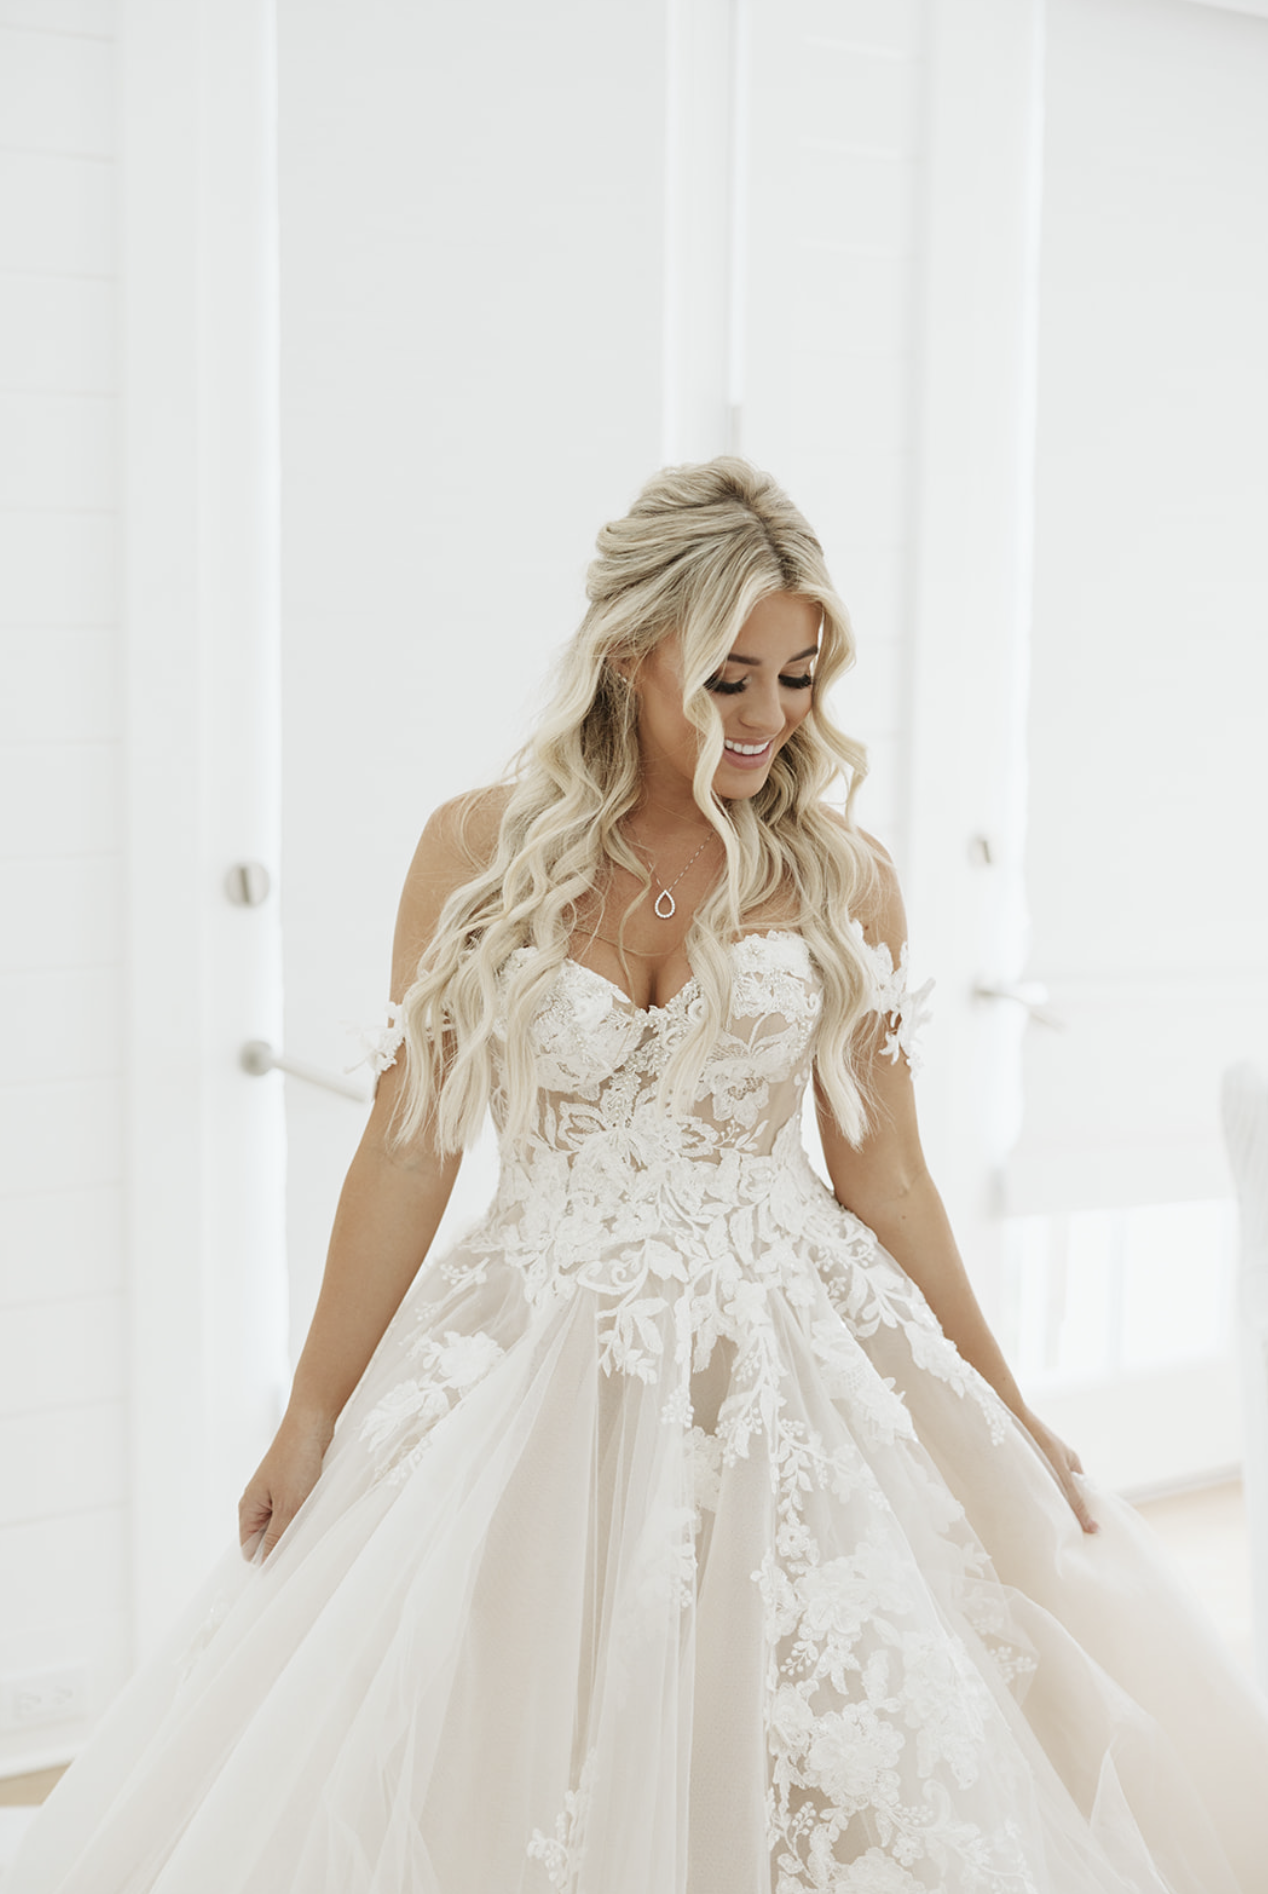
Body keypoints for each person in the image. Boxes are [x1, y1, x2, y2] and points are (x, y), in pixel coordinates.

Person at [10, 458, 1268, 1893]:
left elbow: (891, 1175)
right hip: (533, 1341)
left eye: (798, 678)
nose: (771, 718)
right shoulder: (481, 851)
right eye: (730, 678)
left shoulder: (844, 876)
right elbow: (412, 1141)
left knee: (824, 1727)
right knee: (519, 1718)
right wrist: (312, 1408)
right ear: (630, 655)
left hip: (791, 1349)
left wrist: (1006, 1398)